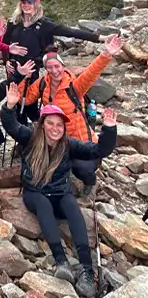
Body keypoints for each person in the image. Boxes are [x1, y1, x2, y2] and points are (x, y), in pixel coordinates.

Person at [0, 81, 117, 298]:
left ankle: (86, 270)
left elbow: (100, 149)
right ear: (42, 124)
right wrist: (9, 106)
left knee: (73, 207)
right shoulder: (30, 137)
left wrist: (109, 130)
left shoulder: (68, 144)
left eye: (59, 125)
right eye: (51, 123)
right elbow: (10, 125)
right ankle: (60, 260)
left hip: (61, 192)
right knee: (43, 205)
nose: (55, 129)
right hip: (35, 192)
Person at [17, 35, 122, 197]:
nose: (54, 71)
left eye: (57, 66)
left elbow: (90, 73)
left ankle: (90, 182)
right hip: (56, 140)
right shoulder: (43, 83)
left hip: (81, 142)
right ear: (46, 69)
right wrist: (23, 77)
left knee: (81, 168)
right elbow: (25, 98)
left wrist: (106, 54)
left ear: (62, 66)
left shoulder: (74, 86)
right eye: (50, 67)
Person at [2, 0, 110, 125]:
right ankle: (19, 132)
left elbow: (70, 32)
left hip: (30, 70)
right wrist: (6, 61)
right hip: (13, 70)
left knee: (29, 103)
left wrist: (100, 38)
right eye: (24, 2)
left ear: (37, 5)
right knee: (13, 102)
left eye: (30, 3)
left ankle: (39, 130)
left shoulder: (44, 24)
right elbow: (4, 44)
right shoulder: (14, 22)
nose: (26, 6)